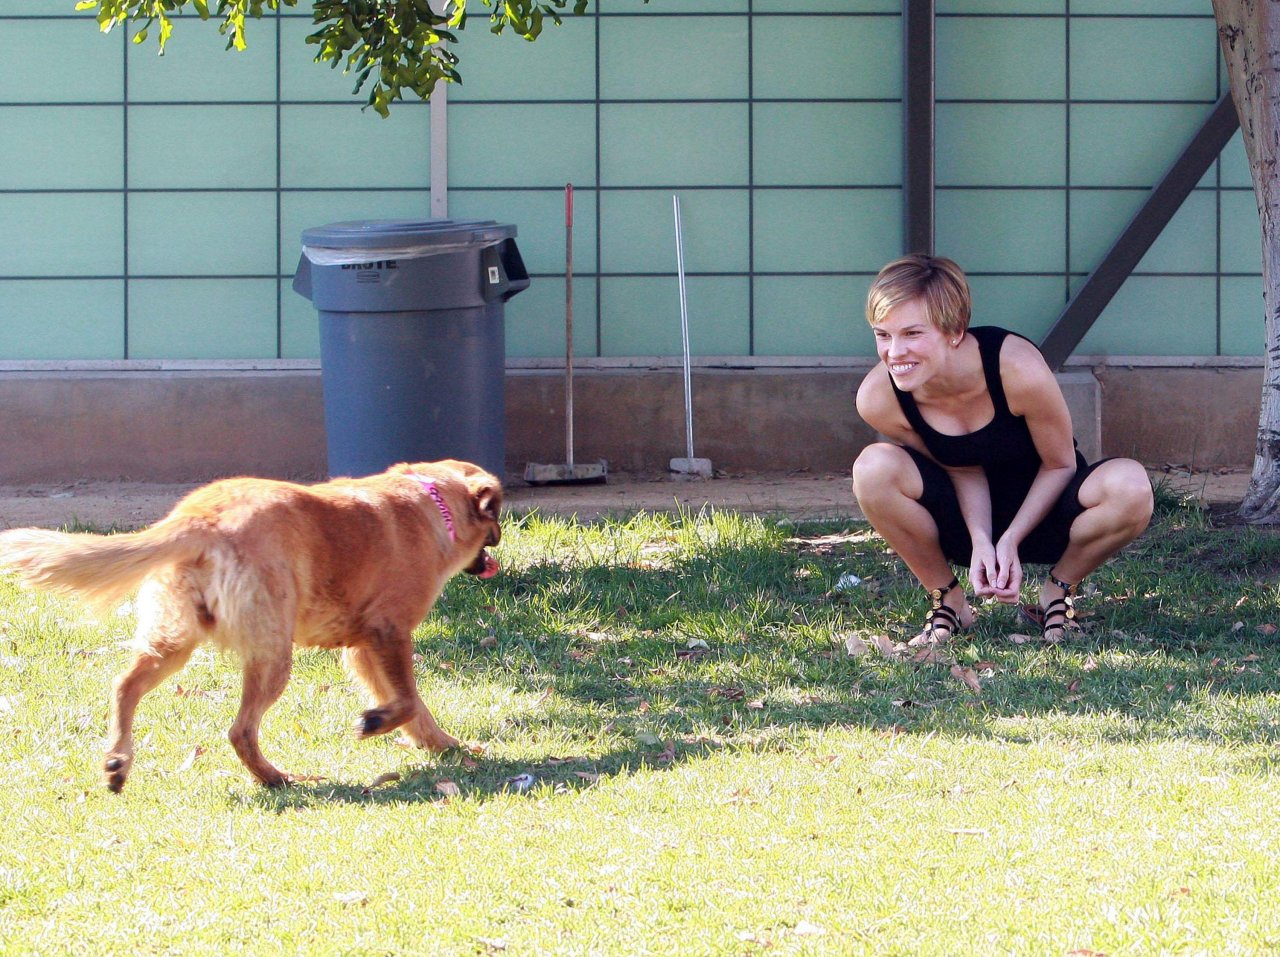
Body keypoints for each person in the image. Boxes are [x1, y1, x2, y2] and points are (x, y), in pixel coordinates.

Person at [851, 254, 1153, 643]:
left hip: (1048, 511)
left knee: (1130, 485)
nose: (894, 353)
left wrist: (1010, 538)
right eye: (882, 335)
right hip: (962, 522)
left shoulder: (1015, 366)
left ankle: (1058, 592)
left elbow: (1059, 464)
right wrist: (982, 539)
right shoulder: (878, 398)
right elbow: (960, 467)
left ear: (954, 331)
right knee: (873, 468)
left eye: (912, 334)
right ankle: (949, 601)